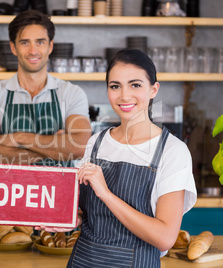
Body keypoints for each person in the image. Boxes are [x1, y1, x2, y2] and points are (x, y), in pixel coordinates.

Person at [40, 49, 197, 267]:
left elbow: (165, 237)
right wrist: (67, 219)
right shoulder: (97, 142)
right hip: (83, 260)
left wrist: (106, 194)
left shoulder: (172, 151)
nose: (124, 95)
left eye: (135, 85)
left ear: (153, 89)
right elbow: (88, 215)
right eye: (115, 86)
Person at [0, 10, 92, 167]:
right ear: (13, 48)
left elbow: (80, 147)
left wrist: (20, 138)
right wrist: (56, 148)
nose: (33, 51)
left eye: (40, 42)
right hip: (10, 189)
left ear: (50, 46)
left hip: (59, 190)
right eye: (24, 42)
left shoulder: (72, 93)